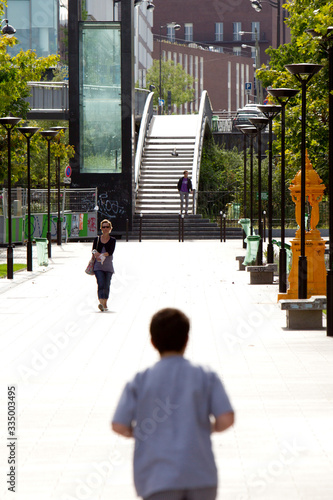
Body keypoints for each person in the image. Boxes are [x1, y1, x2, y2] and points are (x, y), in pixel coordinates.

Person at [112, 308, 234, 500]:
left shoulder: (140, 380)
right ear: (186, 340)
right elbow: (226, 418)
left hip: (157, 479)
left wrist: (138, 432)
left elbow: (118, 424)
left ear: (153, 342)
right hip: (201, 476)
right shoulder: (205, 376)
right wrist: (208, 427)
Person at [92, 219, 116, 312]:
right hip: (98, 266)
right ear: (101, 228)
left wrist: (102, 254)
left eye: (107, 227)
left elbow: (110, 252)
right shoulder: (97, 239)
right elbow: (93, 250)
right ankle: (101, 303)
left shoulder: (113, 240)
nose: (105, 229)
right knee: (100, 283)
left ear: (110, 228)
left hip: (108, 266)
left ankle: (105, 303)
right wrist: (96, 253)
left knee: (107, 284)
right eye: (103, 227)